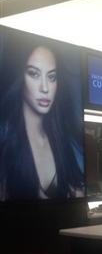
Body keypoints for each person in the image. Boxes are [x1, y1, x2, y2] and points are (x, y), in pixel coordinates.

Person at [0, 33, 85, 200]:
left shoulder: (61, 139)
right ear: (19, 76)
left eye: (51, 77)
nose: (45, 88)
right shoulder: (4, 140)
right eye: (34, 74)